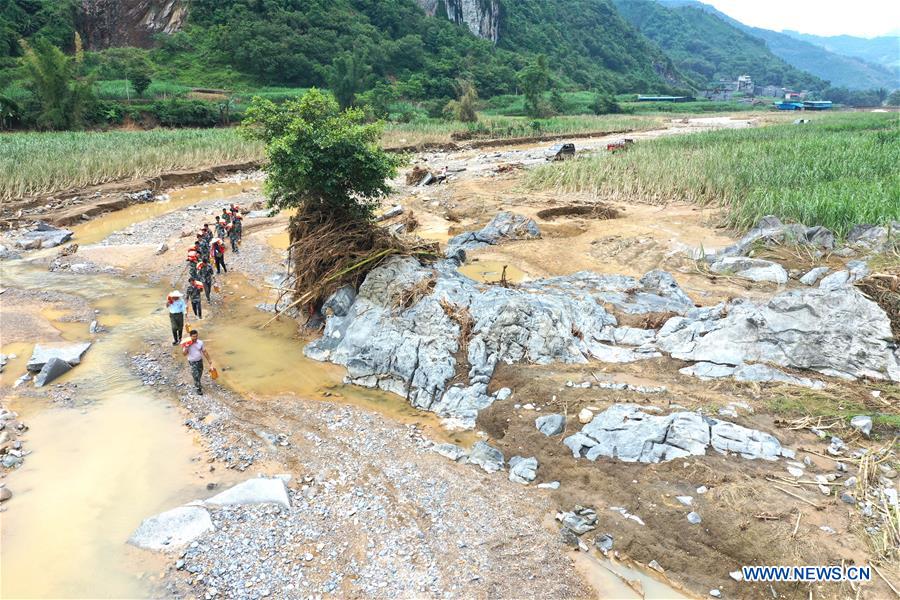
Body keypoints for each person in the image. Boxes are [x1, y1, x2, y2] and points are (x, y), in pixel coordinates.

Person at [182, 329, 212, 395]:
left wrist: (209, 360)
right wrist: (186, 347)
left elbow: (204, 351)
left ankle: (198, 383)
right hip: (192, 361)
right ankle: (198, 389)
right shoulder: (186, 343)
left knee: (200, 373)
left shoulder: (200, 342)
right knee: (195, 375)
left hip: (199, 360)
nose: (195, 338)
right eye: (193, 336)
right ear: (190, 336)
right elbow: (184, 354)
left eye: (196, 336)